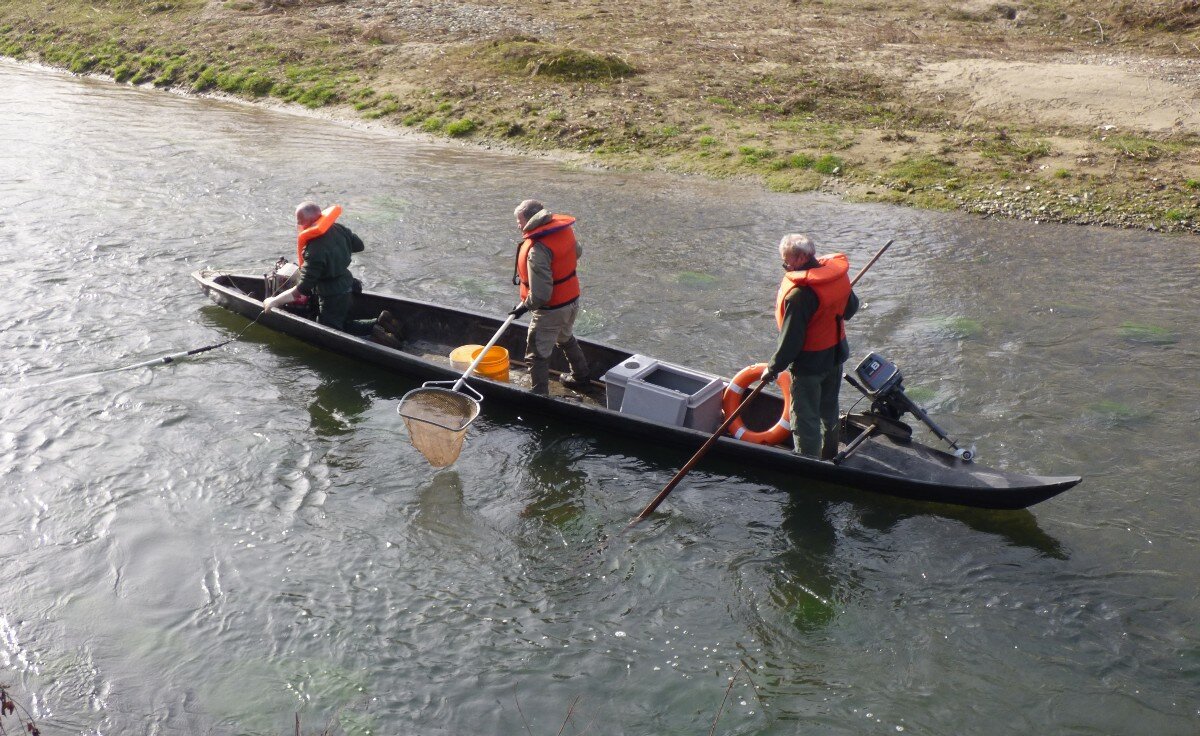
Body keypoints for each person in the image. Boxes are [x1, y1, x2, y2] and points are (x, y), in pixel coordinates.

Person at [763, 233, 860, 459]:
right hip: (835, 356)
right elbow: (850, 310)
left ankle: (809, 461)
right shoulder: (838, 278)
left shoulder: (798, 296)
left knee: (806, 417)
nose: (785, 266)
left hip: (809, 366)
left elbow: (791, 341)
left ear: (800, 258)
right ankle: (830, 454)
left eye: (786, 261)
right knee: (829, 409)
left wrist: (773, 368)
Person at [262, 202, 403, 347]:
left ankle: (375, 327)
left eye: (299, 222)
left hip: (332, 294)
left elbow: (303, 288)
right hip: (348, 283)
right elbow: (359, 245)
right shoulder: (338, 228)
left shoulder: (314, 250)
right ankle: (384, 320)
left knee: (331, 329)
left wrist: (274, 301)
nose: (298, 226)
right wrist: (337, 253)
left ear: (308, 222)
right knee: (338, 319)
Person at [509, 199, 589, 395]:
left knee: (536, 353)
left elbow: (541, 294)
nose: (518, 225)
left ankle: (539, 394)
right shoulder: (563, 231)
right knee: (565, 337)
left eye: (519, 221)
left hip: (551, 310)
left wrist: (524, 307)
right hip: (572, 300)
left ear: (529, 220)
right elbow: (576, 252)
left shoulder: (537, 249)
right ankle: (581, 377)